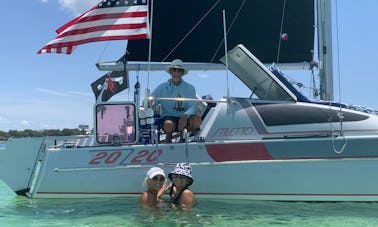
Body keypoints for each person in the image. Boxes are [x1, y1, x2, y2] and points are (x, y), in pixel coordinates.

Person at [151, 59, 202, 143]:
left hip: (185, 117)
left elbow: (192, 106)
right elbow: (149, 102)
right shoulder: (162, 87)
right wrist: (150, 102)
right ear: (170, 72)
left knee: (197, 121)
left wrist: (185, 115)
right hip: (168, 117)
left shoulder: (190, 88)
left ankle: (182, 136)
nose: (176, 72)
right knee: (168, 124)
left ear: (182, 73)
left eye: (179, 70)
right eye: (174, 70)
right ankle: (170, 136)